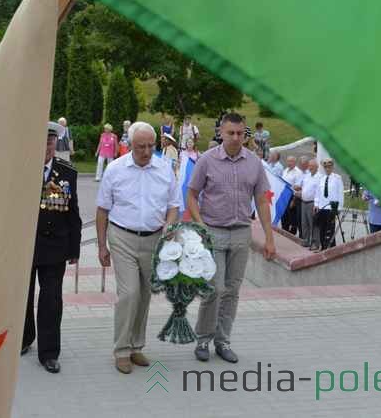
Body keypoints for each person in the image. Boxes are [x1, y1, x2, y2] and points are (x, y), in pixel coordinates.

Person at [187, 112, 275, 364]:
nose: (236, 138)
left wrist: (269, 238)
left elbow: (262, 199)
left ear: (245, 134)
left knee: (232, 291)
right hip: (213, 231)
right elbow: (192, 195)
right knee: (215, 289)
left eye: (240, 133)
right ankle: (203, 338)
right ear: (221, 133)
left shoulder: (254, 163)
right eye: (231, 133)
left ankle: (223, 341)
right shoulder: (207, 160)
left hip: (240, 232)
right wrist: (201, 226)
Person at [95, 122, 181, 374]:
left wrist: (169, 225)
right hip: (122, 237)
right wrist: (102, 246)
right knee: (129, 293)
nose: (145, 151)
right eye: (140, 146)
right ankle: (121, 350)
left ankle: (136, 346)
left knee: (144, 295)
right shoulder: (115, 169)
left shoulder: (165, 169)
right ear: (130, 145)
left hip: (154, 239)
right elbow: (102, 210)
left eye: (150, 146)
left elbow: (174, 206)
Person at [22, 122, 81, 374]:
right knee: (22, 298)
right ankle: (24, 339)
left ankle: (49, 352)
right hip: (23, 246)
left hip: (55, 245)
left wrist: (74, 249)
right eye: (41, 140)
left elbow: (73, 211)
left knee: (51, 300)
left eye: (49, 141)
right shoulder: (20, 169)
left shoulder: (67, 172)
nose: (45, 146)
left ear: (55, 143)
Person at [314, 158, 344, 251]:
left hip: (332, 208)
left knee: (330, 230)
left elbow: (340, 194)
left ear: (332, 167)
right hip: (322, 207)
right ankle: (323, 247)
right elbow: (317, 193)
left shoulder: (337, 178)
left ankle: (331, 248)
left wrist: (339, 208)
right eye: (325, 167)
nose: (327, 169)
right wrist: (316, 204)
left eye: (329, 167)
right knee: (322, 229)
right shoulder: (321, 178)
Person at [297, 159, 320, 248]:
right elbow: (304, 187)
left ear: (317, 167)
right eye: (309, 166)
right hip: (303, 202)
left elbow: (318, 192)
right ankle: (306, 240)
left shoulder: (319, 177)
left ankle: (315, 243)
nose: (310, 168)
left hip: (312, 203)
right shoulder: (307, 176)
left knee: (313, 224)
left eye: (312, 166)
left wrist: (316, 204)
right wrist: (300, 192)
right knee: (304, 223)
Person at [281, 156, 302, 235]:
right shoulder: (285, 170)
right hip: (284, 197)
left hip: (292, 197)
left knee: (292, 219)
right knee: (284, 217)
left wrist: (293, 200)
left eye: (291, 161)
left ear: (295, 162)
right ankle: (284, 234)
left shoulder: (298, 172)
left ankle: (292, 237)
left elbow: (298, 187)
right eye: (288, 161)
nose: (289, 163)